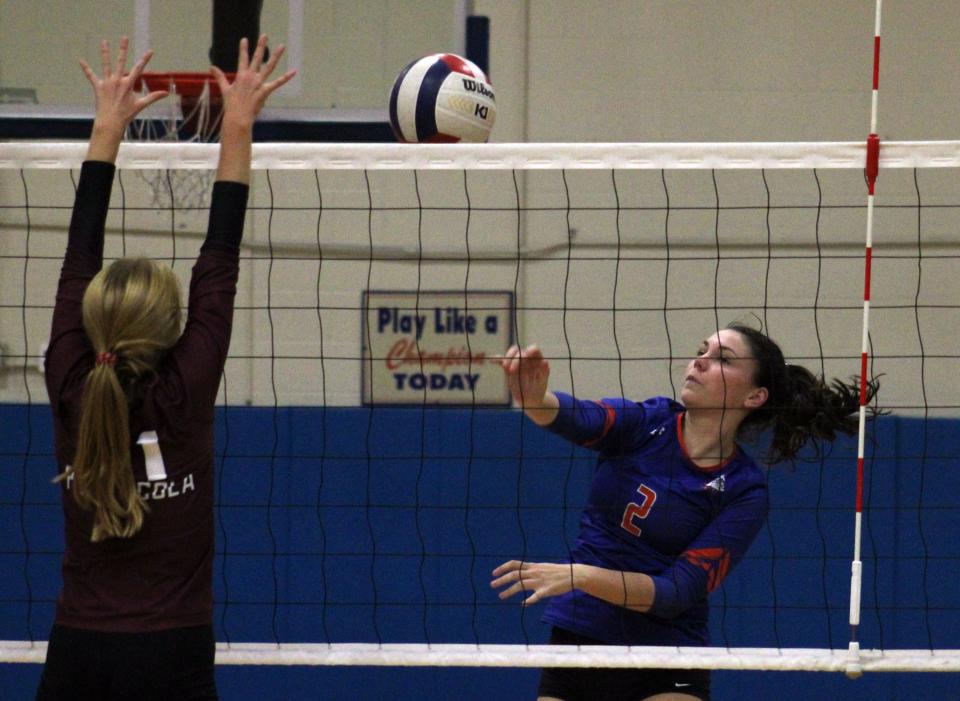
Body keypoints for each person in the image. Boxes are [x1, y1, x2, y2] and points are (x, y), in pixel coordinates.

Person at [37, 35, 294, 700]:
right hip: (171, 653)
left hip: (78, 653)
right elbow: (221, 253)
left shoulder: (69, 375)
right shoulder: (187, 385)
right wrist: (237, 121)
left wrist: (105, 127)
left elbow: (77, 256)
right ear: (172, 330)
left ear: (93, 320)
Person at [491, 324, 879, 701]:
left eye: (722, 359)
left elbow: (676, 593)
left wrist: (583, 576)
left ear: (755, 396)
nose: (699, 362)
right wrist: (535, 401)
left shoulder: (744, 490)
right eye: (700, 352)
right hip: (582, 635)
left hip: (669, 654)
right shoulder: (647, 423)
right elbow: (574, 416)